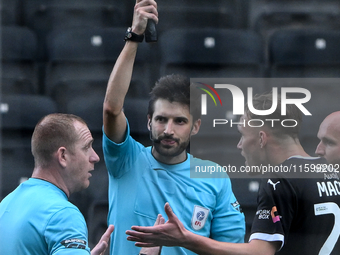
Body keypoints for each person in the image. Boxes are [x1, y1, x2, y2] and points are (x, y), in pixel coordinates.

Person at [102, 0, 245, 254]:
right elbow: (112, 109)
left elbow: (231, 250)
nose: (168, 130)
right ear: (148, 121)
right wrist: (135, 35)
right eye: (161, 119)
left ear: (196, 127)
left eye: (180, 121)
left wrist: (185, 240)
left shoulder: (215, 177)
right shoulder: (125, 159)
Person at [127, 92, 340, 254]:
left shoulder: (280, 181)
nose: (239, 145)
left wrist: (185, 238)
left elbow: (260, 252)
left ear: (261, 139)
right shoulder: (330, 172)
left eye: (242, 135)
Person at [0, 113, 114, 255]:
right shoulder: (63, 214)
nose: (95, 157)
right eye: (86, 147)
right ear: (63, 156)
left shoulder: (5, 205)